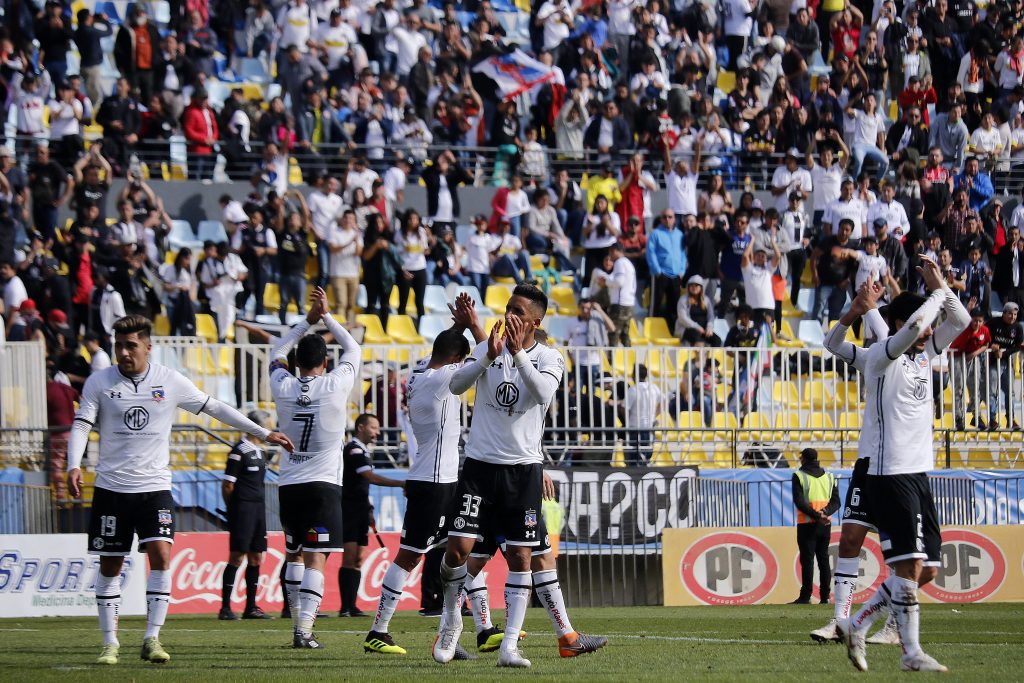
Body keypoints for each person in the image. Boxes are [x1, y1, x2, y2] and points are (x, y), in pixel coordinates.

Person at [65, 315, 293, 665]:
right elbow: (82, 424)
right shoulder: (99, 382)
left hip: (154, 487)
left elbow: (214, 407)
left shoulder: (168, 381)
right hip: (111, 488)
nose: (124, 353)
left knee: (162, 555)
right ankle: (110, 642)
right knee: (111, 565)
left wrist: (261, 433)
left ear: (148, 347)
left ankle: (151, 638)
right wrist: (73, 464)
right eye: (119, 346)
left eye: (131, 346)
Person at [840, 257, 969, 674]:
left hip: (918, 473)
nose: (931, 330)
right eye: (924, 323)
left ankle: (858, 623)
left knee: (927, 568)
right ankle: (911, 652)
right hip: (890, 473)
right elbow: (915, 326)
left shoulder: (924, 353)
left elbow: (961, 319)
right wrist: (934, 294)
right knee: (908, 566)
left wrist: (943, 286)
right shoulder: (884, 354)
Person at [433, 284, 567, 668]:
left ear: (535, 322)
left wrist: (518, 354)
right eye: (508, 308)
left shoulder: (549, 358)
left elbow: (542, 394)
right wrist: (486, 357)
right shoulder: (487, 348)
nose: (509, 316)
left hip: (522, 471)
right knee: (457, 549)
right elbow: (455, 386)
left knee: (521, 558)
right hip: (479, 467)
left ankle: (509, 646)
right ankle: (450, 620)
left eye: (518, 312)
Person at [364, 295, 482, 655]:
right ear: (455, 361)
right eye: (460, 360)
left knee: (461, 552)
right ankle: (378, 631)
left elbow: (446, 348)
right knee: (410, 556)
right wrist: (472, 322)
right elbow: (487, 353)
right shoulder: (446, 377)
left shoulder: (419, 372)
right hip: (433, 483)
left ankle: (461, 631)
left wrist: (458, 325)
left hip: (440, 480)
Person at [812, 276, 903, 645]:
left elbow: (889, 341)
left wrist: (871, 307)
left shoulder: (909, 358)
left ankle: (897, 626)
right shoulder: (870, 359)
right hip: (867, 463)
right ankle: (840, 622)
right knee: (849, 539)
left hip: (898, 465)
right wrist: (852, 311)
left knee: (901, 555)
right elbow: (832, 343)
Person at [270, 287, 360, 649]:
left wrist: (305, 322)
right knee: (316, 558)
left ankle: (297, 625)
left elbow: (276, 352)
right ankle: (304, 630)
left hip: (288, 483)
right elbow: (353, 349)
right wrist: (326, 317)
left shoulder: (283, 384)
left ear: (296, 363)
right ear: (326, 363)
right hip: (323, 485)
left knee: (293, 552)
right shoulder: (335, 384)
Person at [340, 414, 406, 620]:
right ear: (361, 427)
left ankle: (352, 606)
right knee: (350, 556)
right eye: (374, 428)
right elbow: (370, 477)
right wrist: (402, 483)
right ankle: (345, 606)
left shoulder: (363, 450)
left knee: (359, 558)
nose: (377, 433)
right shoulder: (354, 449)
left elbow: (363, 485)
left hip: (360, 509)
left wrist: (368, 508)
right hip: (349, 509)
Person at [219, 411, 274, 621]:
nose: (268, 430)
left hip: (259, 508)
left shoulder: (261, 453)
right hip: (243, 509)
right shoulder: (239, 451)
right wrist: (234, 510)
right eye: (266, 425)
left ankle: (251, 607)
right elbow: (227, 485)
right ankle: (225, 607)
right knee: (237, 555)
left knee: (256, 556)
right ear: (255, 426)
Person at [791, 448, 839, 605]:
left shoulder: (799, 476)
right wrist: (824, 513)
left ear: (803, 459)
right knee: (823, 560)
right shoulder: (829, 476)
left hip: (807, 524)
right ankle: (825, 597)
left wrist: (816, 516)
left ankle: (806, 596)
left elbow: (799, 501)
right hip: (824, 525)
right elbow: (836, 502)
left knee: (807, 561)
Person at [621, 364, 661, 466]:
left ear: (634, 375)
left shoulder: (633, 390)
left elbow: (624, 409)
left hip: (635, 430)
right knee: (645, 460)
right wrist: (654, 416)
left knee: (633, 461)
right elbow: (662, 402)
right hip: (649, 429)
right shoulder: (654, 388)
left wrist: (627, 420)